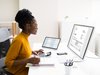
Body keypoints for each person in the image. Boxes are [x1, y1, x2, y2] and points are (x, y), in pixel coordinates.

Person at [5, 9, 43, 75]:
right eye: (35, 24)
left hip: (26, 70)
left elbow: (22, 53)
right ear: (27, 26)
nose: (37, 27)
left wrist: (32, 51)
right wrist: (28, 60)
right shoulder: (18, 40)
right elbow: (8, 63)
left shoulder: (25, 37)